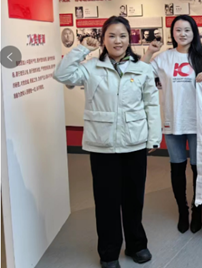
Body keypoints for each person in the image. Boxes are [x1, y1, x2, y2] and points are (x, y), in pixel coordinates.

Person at [53, 16, 161, 268]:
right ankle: (109, 252)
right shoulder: (91, 67)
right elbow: (61, 74)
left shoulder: (143, 68)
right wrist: (82, 49)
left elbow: (151, 105)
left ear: (129, 39)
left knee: (134, 199)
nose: (117, 41)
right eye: (111, 35)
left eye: (122, 35)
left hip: (134, 143)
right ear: (103, 39)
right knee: (106, 202)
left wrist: (154, 137)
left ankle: (137, 245)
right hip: (102, 145)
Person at [143, 15, 202, 235]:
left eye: (187, 30)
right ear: (172, 33)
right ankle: (183, 210)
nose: (182, 34)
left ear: (194, 32)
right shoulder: (164, 58)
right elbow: (140, 74)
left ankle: (198, 209)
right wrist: (149, 52)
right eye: (178, 30)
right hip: (173, 121)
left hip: (198, 121)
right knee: (177, 168)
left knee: (198, 169)